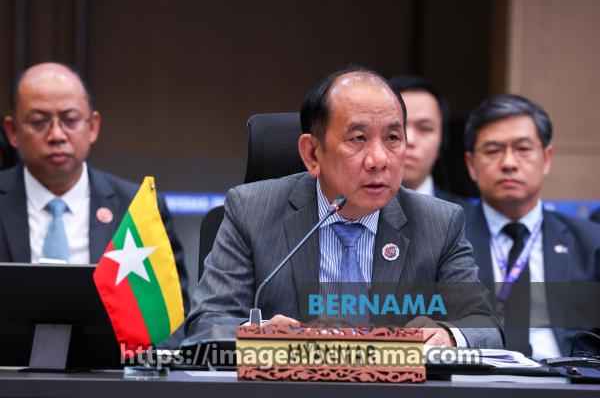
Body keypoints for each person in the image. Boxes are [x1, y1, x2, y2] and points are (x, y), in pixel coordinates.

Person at [185, 68, 502, 349]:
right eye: (358, 138)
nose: (379, 159)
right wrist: (258, 333)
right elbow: (207, 322)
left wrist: (448, 335)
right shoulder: (251, 211)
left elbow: (484, 324)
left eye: (393, 138)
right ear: (312, 154)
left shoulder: (439, 222)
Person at [0, 63, 189, 341]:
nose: (56, 135)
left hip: (115, 367)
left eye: (70, 119)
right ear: (12, 131)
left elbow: (169, 322)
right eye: (39, 122)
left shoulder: (136, 208)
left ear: (93, 126)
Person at [463, 94, 600, 359]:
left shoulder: (590, 244)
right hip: (476, 377)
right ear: (471, 165)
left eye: (523, 149)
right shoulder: (446, 240)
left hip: (566, 378)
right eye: (493, 150)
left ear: (547, 158)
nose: (509, 163)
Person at [388, 75, 468, 208]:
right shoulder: (352, 214)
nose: (410, 139)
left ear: (442, 143)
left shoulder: (466, 216)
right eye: (397, 127)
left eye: (425, 128)